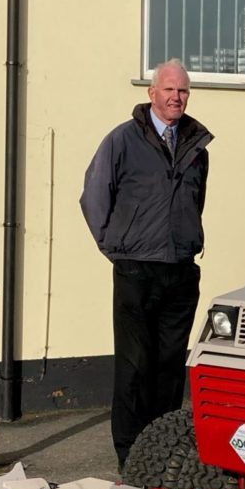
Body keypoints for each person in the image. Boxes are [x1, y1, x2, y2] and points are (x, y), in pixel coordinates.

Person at [80, 60, 213, 466]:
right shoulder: (122, 140)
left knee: (171, 365)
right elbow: (94, 196)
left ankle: (164, 451)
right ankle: (131, 454)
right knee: (135, 365)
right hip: (136, 269)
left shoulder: (195, 147)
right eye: (169, 90)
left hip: (179, 268)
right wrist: (115, 246)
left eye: (183, 91)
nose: (177, 97)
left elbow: (196, 201)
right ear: (151, 94)